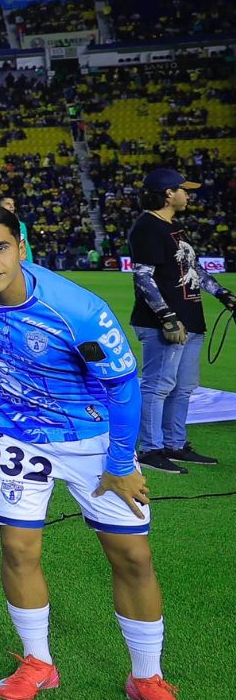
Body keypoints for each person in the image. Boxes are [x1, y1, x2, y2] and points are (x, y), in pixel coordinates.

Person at [0, 205, 204, 700]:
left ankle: (148, 678)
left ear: (21, 247)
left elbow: (123, 386)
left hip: (92, 443)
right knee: (19, 550)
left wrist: (119, 463)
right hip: (10, 440)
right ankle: (37, 661)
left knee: (133, 556)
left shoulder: (76, 307)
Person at [127, 167, 234, 475]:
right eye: (183, 189)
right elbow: (143, 278)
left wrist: (224, 295)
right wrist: (168, 318)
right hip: (165, 323)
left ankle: (174, 443)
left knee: (184, 387)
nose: (188, 194)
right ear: (168, 193)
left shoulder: (176, 227)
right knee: (158, 386)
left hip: (190, 320)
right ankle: (150, 449)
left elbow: (194, 270)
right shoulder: (146, 227)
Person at [0, 195, 33, 261]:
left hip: (19, 262)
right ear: (0, 207)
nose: (12, 207)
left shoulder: (21, 225)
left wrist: (30, 262)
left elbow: (26, 245)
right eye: (8, 204)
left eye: (13, 204)